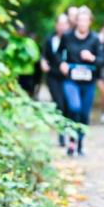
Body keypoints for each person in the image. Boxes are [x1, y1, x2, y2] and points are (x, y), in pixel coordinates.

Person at [58, 6, 104, 157]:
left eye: (86, 20)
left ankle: (80, 143)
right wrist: (62, 63)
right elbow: (58, 53)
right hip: (71, 80)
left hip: (88, 81)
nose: (83, 23)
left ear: (90, 22)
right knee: (74, 107)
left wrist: (92, 58)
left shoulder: (95, 39)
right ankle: (72, 140)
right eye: (80, 20)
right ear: (76, 21)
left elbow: (102, 60)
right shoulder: (67, 36)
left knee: (84, 113)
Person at [41, 13, 70, 147]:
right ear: (56, 25)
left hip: (67, 76)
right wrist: (43, 62)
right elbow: (43, 54)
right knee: (59, 103)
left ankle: (69, 130)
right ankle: (61, 133)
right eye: (60, 24)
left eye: (65, 24)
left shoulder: (71, 39)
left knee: (68, 104)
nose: (62, 27)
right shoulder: (49, 39)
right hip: (53, 76)